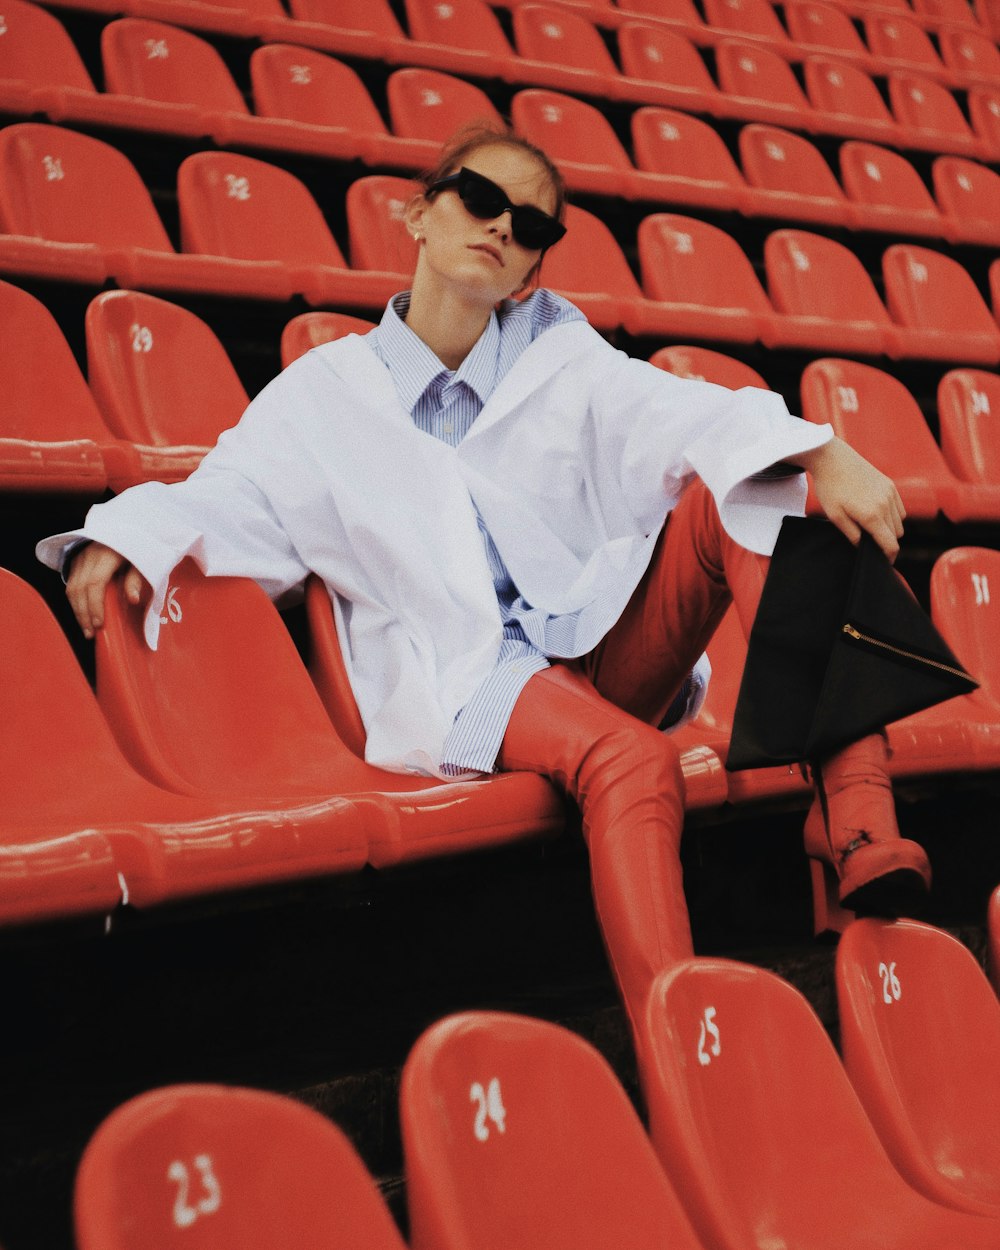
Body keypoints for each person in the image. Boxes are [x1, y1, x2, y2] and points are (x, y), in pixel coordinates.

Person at [37, 125, 930, 1049]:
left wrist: (820, 449)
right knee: (632, 760)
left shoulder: (561, 357)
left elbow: (676, 412)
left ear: (534, 269)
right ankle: (679, 1039)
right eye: (479, 198)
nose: (503, 225)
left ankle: (858, 821)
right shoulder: (324, 394)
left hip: (592, 643)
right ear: (419, 213)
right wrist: (123, 533)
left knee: (762, 484)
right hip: (473, 677)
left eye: (532, 223)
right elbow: (231, 495)